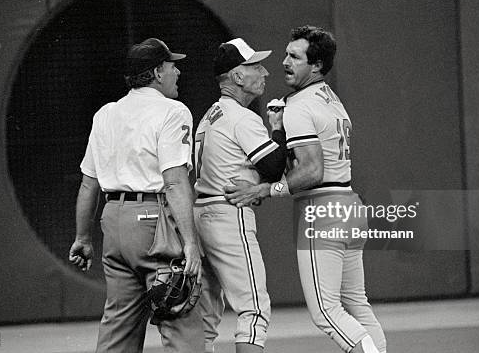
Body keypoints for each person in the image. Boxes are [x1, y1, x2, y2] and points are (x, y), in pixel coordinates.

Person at [224, 26, 386, 353]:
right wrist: (278, 129)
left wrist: (265, 191)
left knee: (327, 312)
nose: (285, 61)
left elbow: (312, 169)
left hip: (322, 209)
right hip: (348, 205)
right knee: (356, 303)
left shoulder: (298, 104)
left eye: (295, 57)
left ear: (315, 66)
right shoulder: (330, 98)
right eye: (287, 53)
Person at [68, 37, 204, 353]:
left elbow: (89, 185)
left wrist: (82, 238)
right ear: (157, 72)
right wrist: (191, 243)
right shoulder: (172, 110)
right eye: (172, 66)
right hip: (154, 224)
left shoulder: (106, 113)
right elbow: (174, 183)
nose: (177, 73)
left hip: (113, 222)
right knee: (179, 317)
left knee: (118, 330)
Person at [193, 38, 287, 353]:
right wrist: (279, 130)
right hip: (228, 216)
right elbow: (274, 168)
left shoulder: (210, 115)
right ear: (237, 77)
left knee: (205, 319)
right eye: (255, 66)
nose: (264, 73)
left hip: (201, 217)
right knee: (254, 308)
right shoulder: (241, 117)